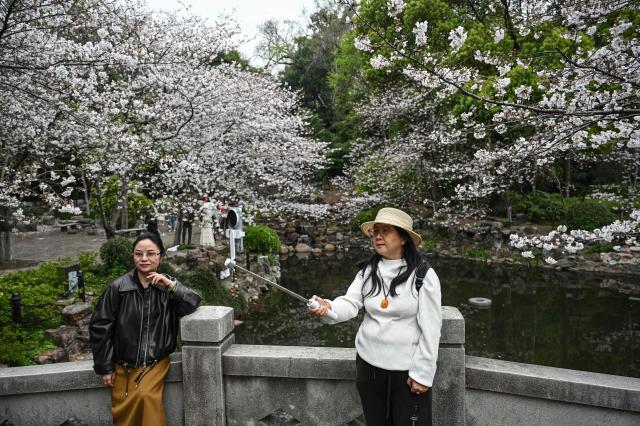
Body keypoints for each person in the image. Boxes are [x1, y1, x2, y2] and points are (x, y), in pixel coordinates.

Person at [309, 207, 442, 426]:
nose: (378, 236)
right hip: (369, 367)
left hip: (406, 373)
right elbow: (350, 304)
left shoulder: (423, 275)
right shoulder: (368, 271)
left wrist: (423, 373)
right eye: (376, 231)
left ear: (403, 239)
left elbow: (431, 328)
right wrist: (327, 307)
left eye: (386, 231)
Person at [89, 232, 202, 426]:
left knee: (147, 397)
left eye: (150, 253)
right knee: (124, 414)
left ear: (161, 256)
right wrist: (105, 367)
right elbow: (100, 326)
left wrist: (172, 285)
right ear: (133, 256)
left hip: (155, 362)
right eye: (138, 254)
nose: (144, 259)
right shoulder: (118, 288)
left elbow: (192, 303)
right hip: (123, 365)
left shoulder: (166, 287)